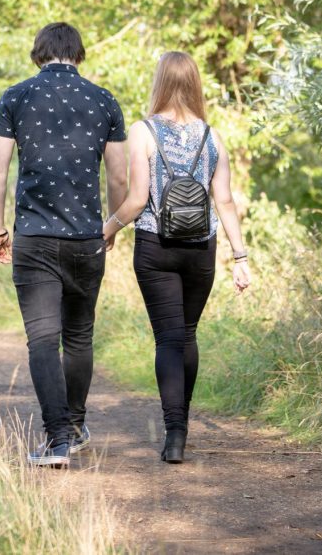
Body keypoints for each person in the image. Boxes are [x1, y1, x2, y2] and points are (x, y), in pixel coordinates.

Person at [0, 22, 128, 468]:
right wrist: (112, 227)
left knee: (43, 340)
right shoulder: (104, 100)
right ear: (78, 54)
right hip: (88, 236)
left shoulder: (15, 96)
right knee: (80, 335)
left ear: (40, 53)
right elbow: (120, 177)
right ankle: (76, 425)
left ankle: (59, 440)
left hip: (35, 237)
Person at [102, 51, 251, 464]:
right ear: (195, 84)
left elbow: (135, 200)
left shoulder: (143, 132)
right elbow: (224, 200)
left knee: (168, 338)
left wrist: (108, 229)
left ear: (160, 82)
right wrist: (241, 257)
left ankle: (174, 434)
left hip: (156, 246)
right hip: (202, 249)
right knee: (187, 334)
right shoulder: (213, 136)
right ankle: (182, 427)